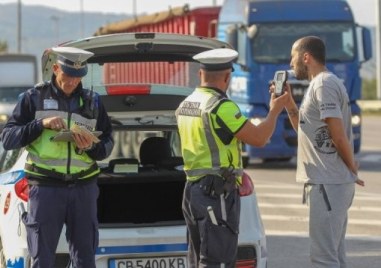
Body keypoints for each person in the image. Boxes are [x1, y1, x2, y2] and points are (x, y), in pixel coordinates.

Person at [0, 46, 114, 268]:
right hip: (45, 189)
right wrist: (40, 124)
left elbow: (107, 144)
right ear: (55, 68)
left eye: (78, 77)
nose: (73, 82)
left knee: (85, 259)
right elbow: (8, 139)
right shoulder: (33, 98)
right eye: (68, 75)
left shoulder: (94, 102)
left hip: (84, 188)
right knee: (42, 259)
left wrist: (91, 146)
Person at [175, 48, 288, 267]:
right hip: (216, 194)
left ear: (200, 74)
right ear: (227, 77)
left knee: (199, 258)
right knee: (219, 261)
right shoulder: (220, 106)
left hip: (192, 191)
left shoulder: (186, 104)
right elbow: (259, 138)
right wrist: (274, 110)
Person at [282, 36, 365, 268]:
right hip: (328, 183)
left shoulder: (324, 84)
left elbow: (338, 135)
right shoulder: (319, 84)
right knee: (334, 256)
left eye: (293, 56)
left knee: (323, 259)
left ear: (306, 57)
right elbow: (306, 131)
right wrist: (289, 103)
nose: (290, 63)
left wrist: (351, 167)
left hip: (328, 183)